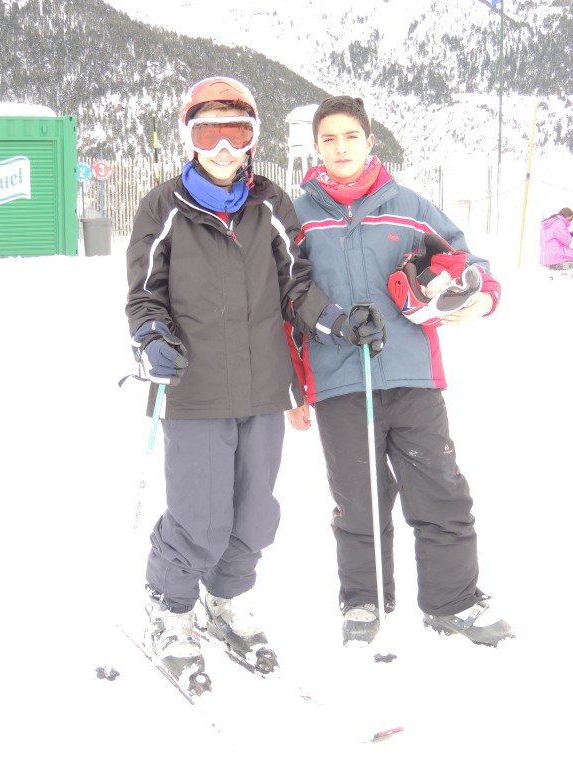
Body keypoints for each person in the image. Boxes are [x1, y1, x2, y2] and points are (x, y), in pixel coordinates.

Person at [125, 78, 384, 688]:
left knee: (254, 515)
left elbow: (296, 286)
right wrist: (152, 338)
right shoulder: (163, 206)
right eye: (208, 133)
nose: (222, 147)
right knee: (200, 516)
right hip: (193, 389)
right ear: (189, 138)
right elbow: (144, 295)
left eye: (235, 132)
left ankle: (226, 599)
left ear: (252, 139)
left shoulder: (269, 203)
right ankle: (169, 608)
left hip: (264, 386)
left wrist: (336, 321)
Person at [286, 95, 513, 648]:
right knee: (358, 498)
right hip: (339, 381)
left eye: (350, 136)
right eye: (329, 139)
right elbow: (285, 299)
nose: (341, 147)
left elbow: (466, 262)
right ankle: (364, 600)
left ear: (369, 141)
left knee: (440, 489)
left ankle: (453, 602)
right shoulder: (298, 217)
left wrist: (482, 297)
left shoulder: (408, 206)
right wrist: (296, 384)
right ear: (316, 148)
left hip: (412, 376)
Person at [539, 207, 573, 271]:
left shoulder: (551, 222)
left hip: (547, 257)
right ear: (569, 217)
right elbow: (567, 241)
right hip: (556, 257)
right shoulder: (558, 223)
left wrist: (569, 234)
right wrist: (570, 234)